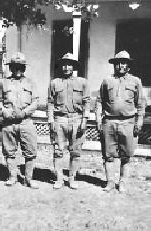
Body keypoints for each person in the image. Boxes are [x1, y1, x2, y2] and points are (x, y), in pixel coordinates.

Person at [95, 50, 145, 193]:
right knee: (108, 155)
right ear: (114, 65)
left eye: (124, 63)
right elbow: (99, 102)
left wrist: (139, 121)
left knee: (126, 155)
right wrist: (99, 119)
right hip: (109, 122)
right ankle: (110, 182)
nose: (121, 66)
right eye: (118, 63)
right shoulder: (107, 81)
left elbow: (141, 103)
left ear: (128, 65)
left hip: (128, 122)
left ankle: (122, 182)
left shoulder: (136, 81)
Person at [48, 53, 90, 189]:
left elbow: (87, 102)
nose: (66, 67)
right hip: (59, 119)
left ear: (74, 67)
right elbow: (50, 103)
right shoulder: (54, 83)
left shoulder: (83, 82)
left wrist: (85, 120)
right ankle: (59, 178)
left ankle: (72, 178)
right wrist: (50, 120)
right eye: (64, 64)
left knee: (75, 151)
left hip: (77, 119)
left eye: (69, 64)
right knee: (58, 151)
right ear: (61, 67)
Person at [0, 52, 39, 189]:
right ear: (11, 68)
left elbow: (35, 102)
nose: (18, 70)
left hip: (26, 122)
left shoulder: (31, 83)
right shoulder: (3, 83)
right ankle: (12, 177)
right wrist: (5, 111)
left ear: (24, 68)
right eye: (15, 67)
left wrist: (25, 112)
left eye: (21, 67)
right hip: (8, 123)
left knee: (30, 151)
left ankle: (28, 179)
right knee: (9, 151)